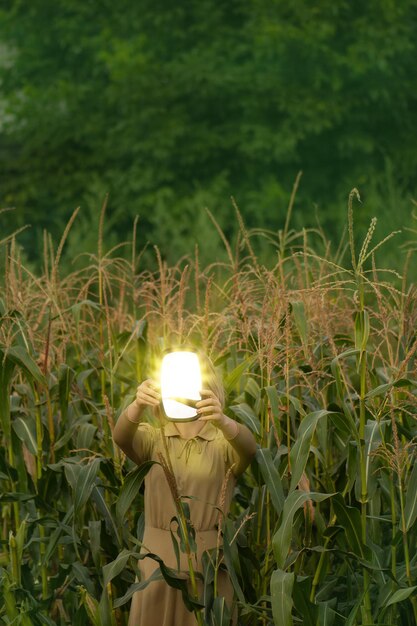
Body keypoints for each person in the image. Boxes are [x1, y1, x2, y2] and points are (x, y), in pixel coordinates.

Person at [113, 353, 257, 626]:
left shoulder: (223, 444)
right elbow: (120, 436)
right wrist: (137, 405)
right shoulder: (152, 439)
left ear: (208, 387)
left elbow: (249, 449)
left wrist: (223, 421)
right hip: (157, 569)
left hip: (210, 570)